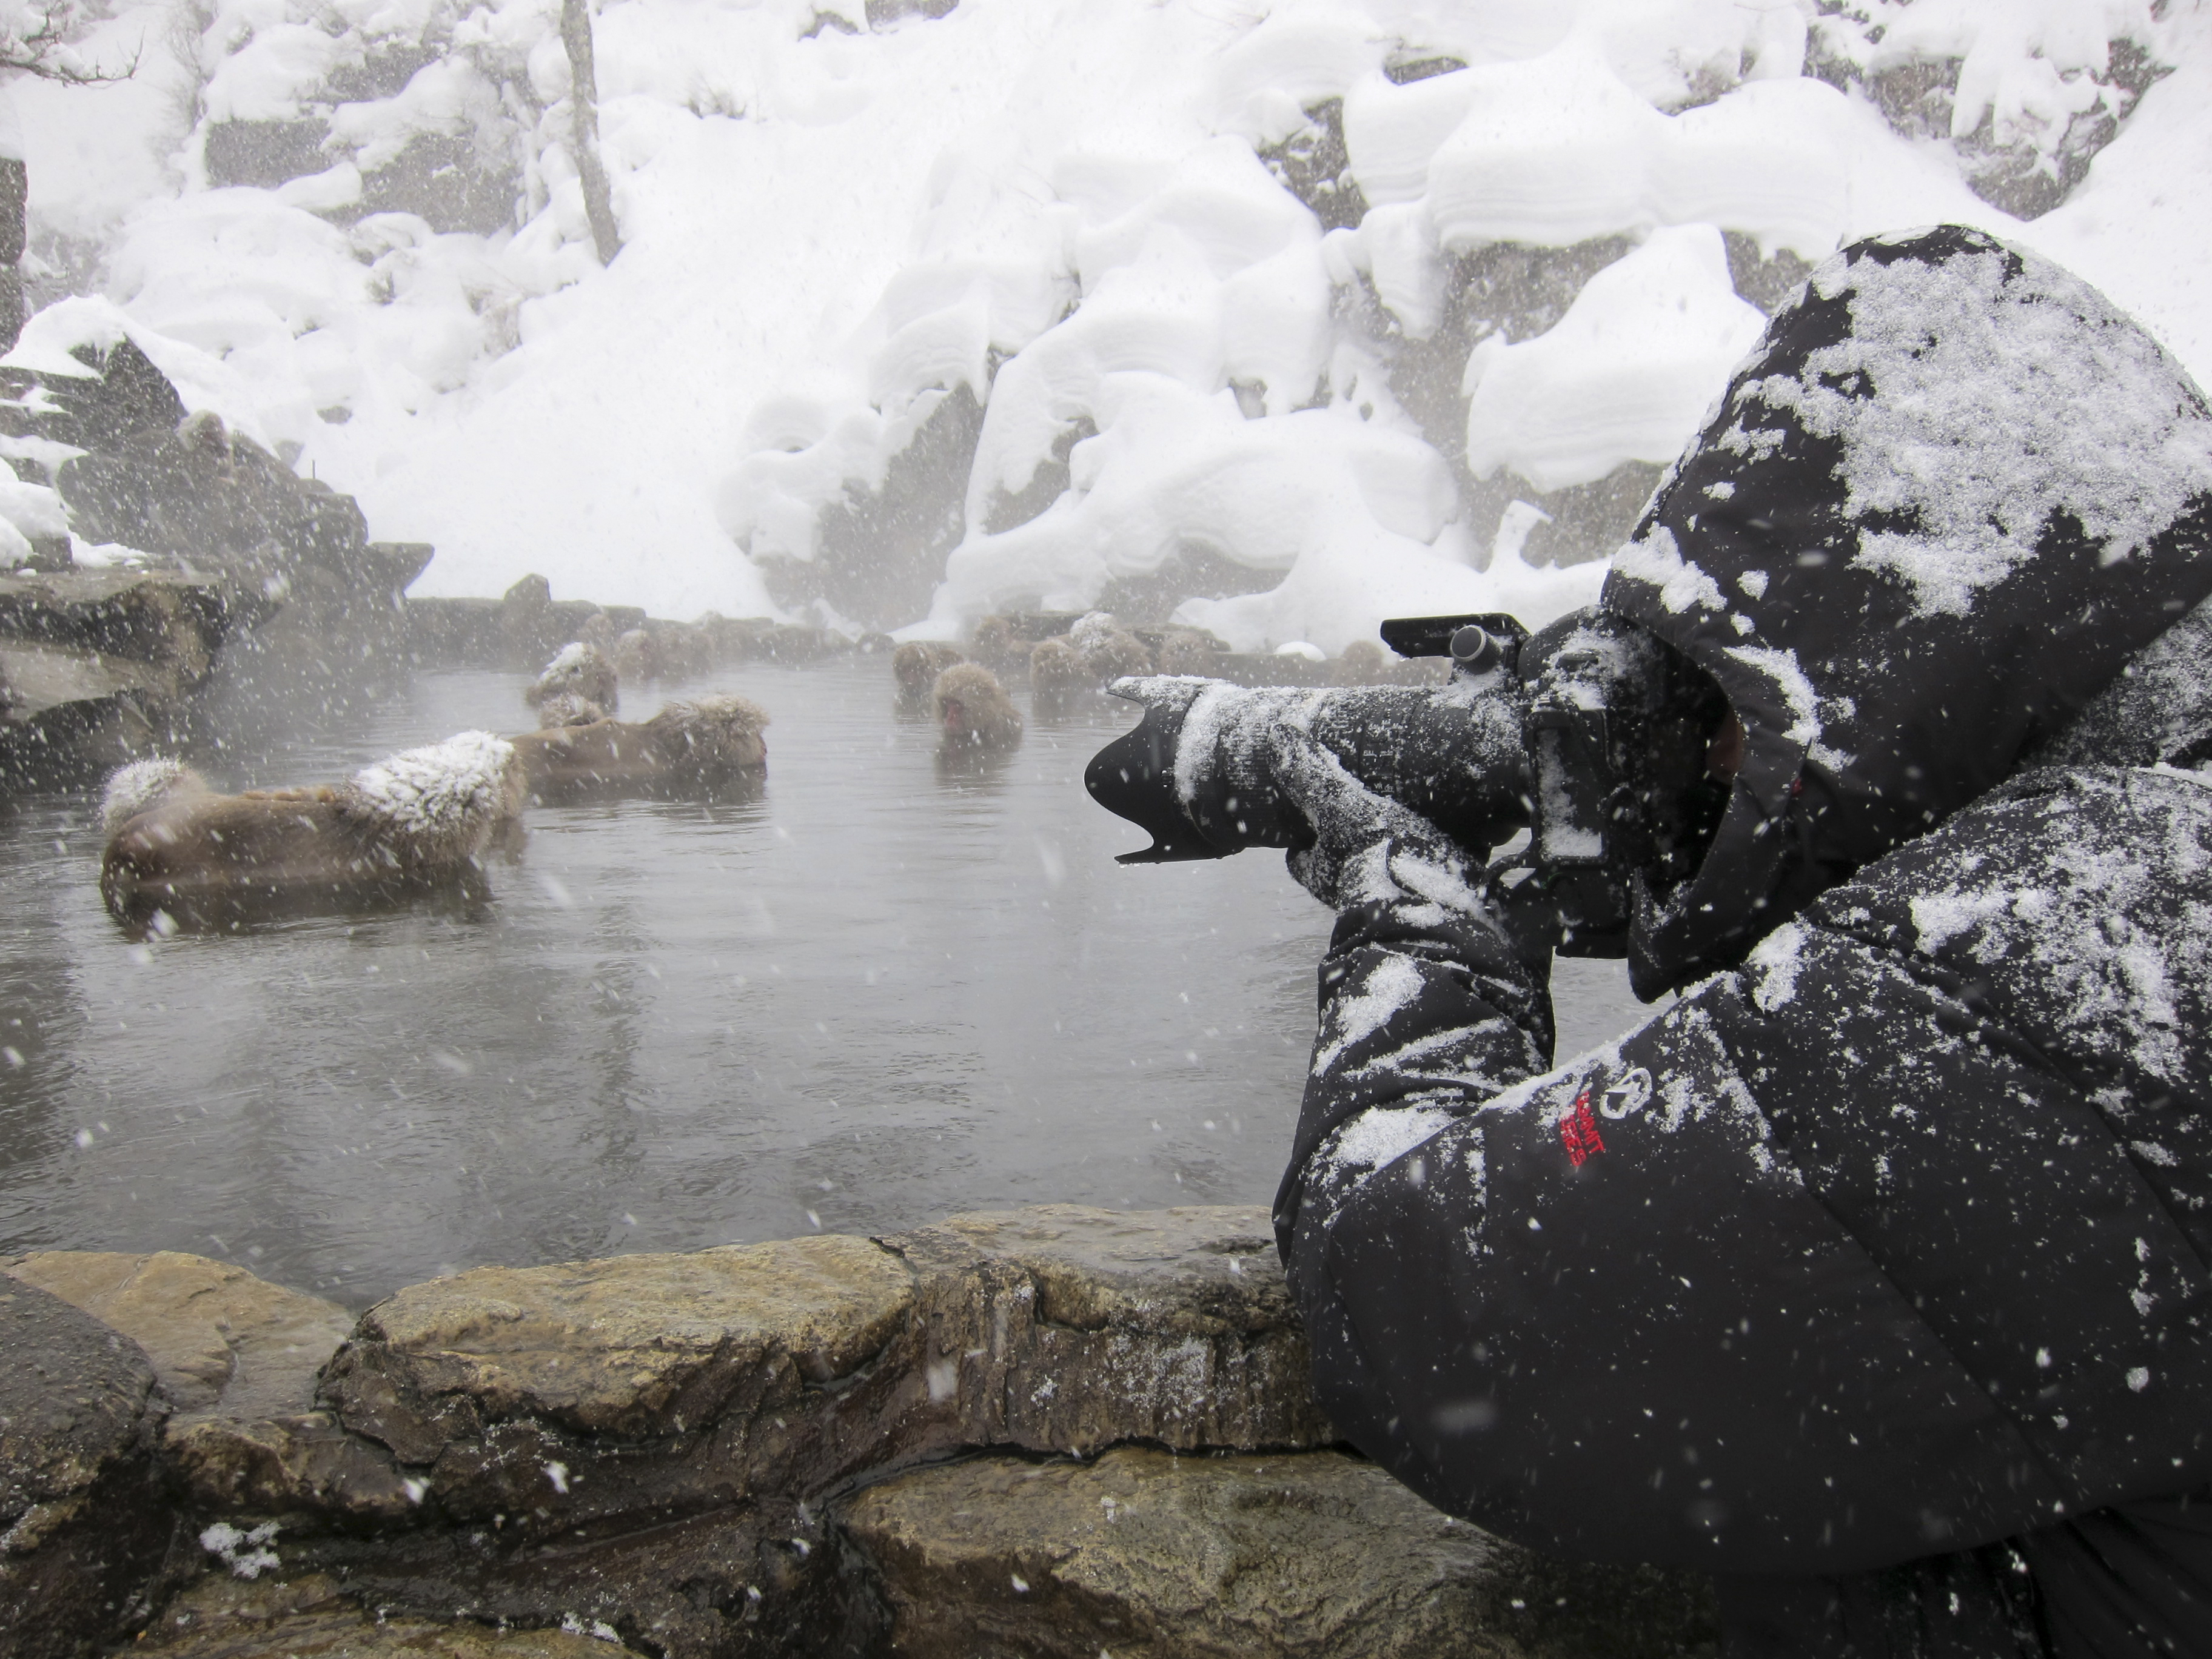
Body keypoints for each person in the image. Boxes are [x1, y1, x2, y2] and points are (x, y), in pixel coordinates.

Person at [1262, 227, 2212, 1656]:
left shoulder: (2067, 959)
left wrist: (1419, 911)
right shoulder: (2149, 861)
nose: (1713, 754)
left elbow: (1409, 1302)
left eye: (1726, 701)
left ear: (1892, 648)